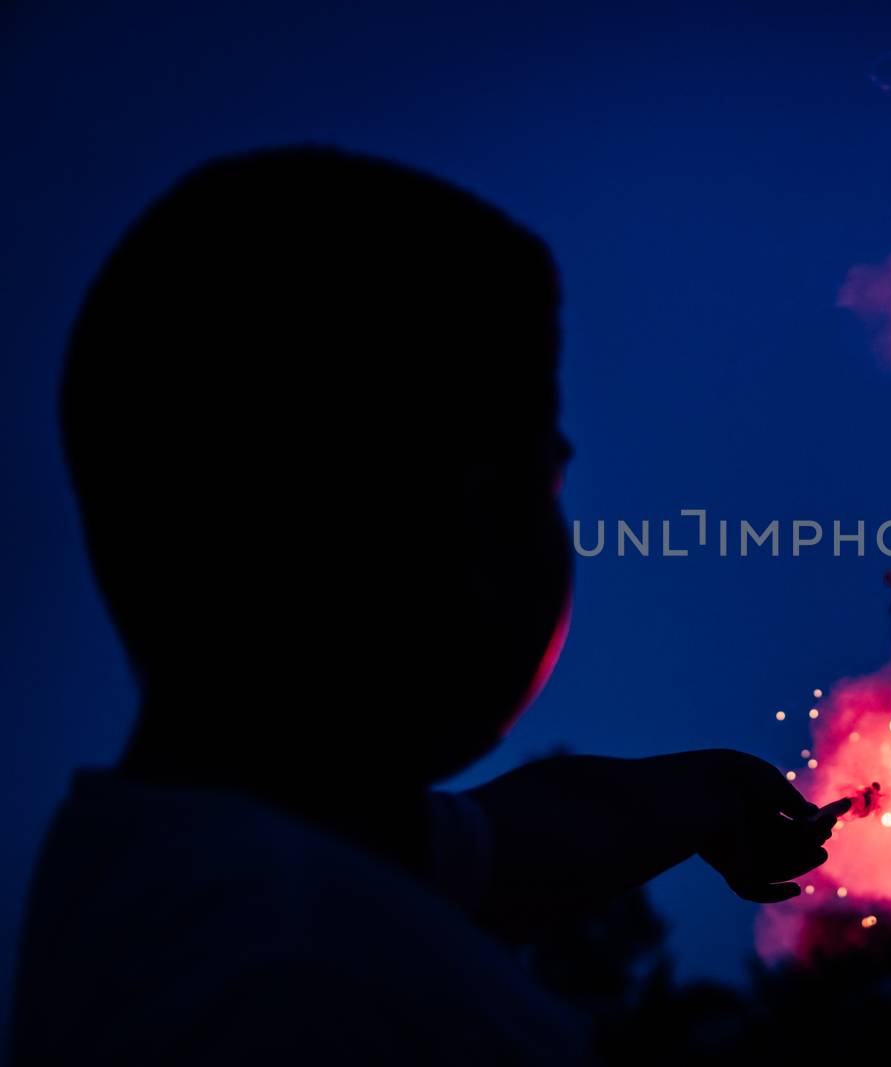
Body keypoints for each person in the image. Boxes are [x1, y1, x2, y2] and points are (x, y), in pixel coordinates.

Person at [12, 146, 847, 1064]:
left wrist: (714, 794)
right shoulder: (304, 982)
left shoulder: (211, 858)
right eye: (543, 480)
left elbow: (522, 842)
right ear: (464, 516)